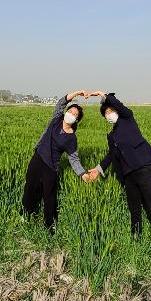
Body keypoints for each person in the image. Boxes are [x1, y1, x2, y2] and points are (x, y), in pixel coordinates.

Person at [87, 91, 151, 259]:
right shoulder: (111, 135)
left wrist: (102, 95)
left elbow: (118, 105)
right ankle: (136, 238)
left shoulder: (127, 119)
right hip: (127, 174)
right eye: (106, 113)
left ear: (117, 110)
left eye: (111, 110)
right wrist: (97, 169)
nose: (109, 114)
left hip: (143, 167)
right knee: (134, 209)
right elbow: (111, 155)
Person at [22, 90, 92, 233]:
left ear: (77, 120)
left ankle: (49, 225)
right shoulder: (56, 119)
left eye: (74, 114)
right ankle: (25, 214)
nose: (71, 114)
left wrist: (82, 173)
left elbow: (74, 159)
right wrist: (78, 92)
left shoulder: (72, 138)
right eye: (70, 111)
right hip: (38, 158)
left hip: (51, 166)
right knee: (30, 187)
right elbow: (62, 102)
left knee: (49, 195)